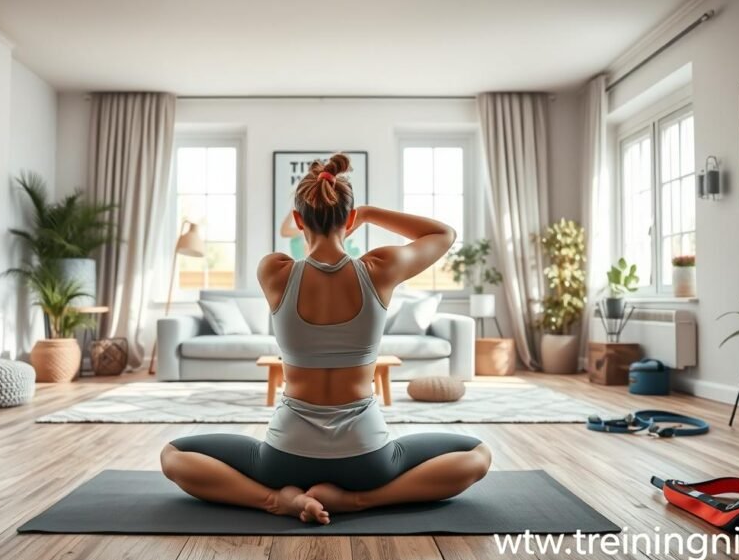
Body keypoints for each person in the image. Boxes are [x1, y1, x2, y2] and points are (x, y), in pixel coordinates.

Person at [160, 152, 492, 524]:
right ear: (349, 220)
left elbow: (176, 460)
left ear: (299, 220)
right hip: (368, 460)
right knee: (478, 454)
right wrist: (365, 213)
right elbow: (443, 234)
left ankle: (275, 500)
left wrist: (279, 487)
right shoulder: (380, 269)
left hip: (284, 459)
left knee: (173, 454)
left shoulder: (275, 271)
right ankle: (361, 501)